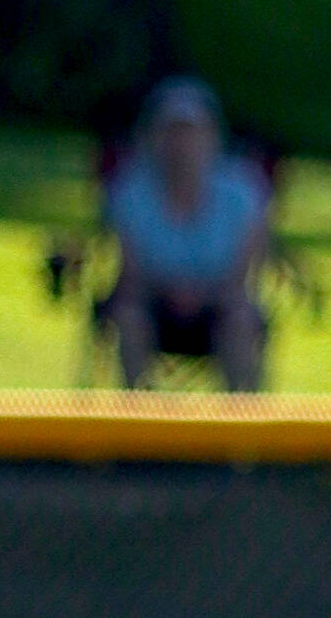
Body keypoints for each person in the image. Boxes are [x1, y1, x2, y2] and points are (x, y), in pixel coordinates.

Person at [102, 76, 271, 391]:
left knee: (242, 319)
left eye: (191, 133)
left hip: (218, 308)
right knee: (127, 315)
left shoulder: (242, 194)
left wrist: (202, 296)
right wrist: (171, 293)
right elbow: (129, 274)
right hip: (153, 306)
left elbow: (244, 276)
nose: (181, 144)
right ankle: (140, 421)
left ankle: (241, 427)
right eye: (171, 132)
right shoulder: (130, 193)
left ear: (213, 137)